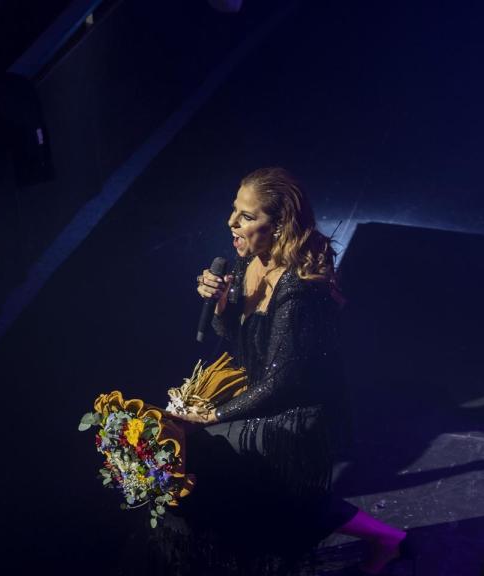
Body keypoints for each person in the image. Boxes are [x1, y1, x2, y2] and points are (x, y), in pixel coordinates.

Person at [179, 167, 408, 574]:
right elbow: (234, 335)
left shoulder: (299, 288)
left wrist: (209, 416)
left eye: (247, 216)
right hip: (262, 390)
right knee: (272, 496)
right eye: (235, 210)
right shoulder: (250, 257)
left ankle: (385, 539)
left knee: (234, 471)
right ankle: (386, 537)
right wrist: (220, 302)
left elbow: (282, 383)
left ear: (280, 225)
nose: (232, 222)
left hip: (294, 412)